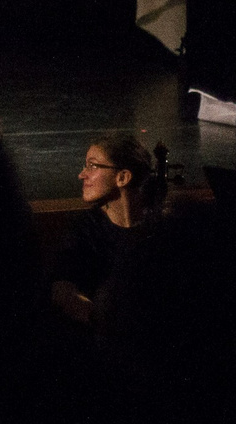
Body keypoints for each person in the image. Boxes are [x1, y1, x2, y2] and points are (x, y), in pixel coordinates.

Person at [50, 132, 159, 324]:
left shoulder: (159, 227)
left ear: (122, 177)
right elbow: (62, 286)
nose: (82, 174)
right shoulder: (84, 227)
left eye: (92, 166)